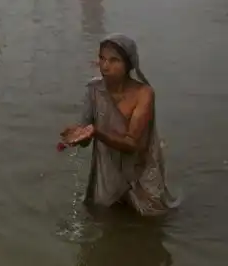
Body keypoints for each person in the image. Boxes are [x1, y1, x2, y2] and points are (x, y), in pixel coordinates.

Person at [59, 33, 179, 217]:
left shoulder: (144, 93)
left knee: (152, 222)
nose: (105, 66)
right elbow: (85, 137)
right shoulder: (94, 90)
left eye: (114, 60)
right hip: (108, 173)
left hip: (141, 171)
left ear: (128, 64)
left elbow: (132, 144)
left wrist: (97, 133)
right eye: (102, 58)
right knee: (104, 218)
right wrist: (77, 137)